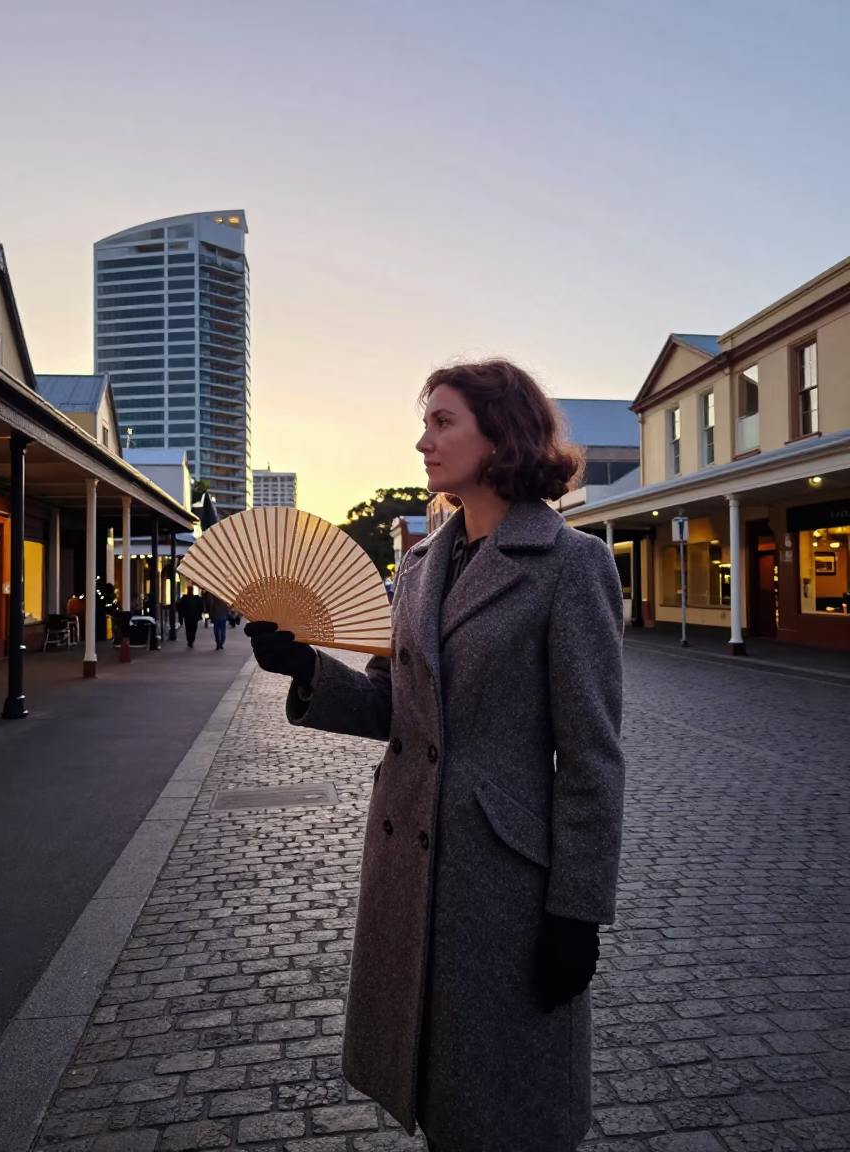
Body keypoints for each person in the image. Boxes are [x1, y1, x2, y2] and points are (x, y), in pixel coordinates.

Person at [245, 359, 625, 1152]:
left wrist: (577, 914)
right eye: (426, 424)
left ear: (502, 433)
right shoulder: (418, 567)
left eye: (443, 422)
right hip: (408, 862)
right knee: (438, 1093)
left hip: (504, 886)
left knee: (503, 1105)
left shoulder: (571, 565)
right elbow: (396, 707)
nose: (423, 441)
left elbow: (592, 757)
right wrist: (308, 671)